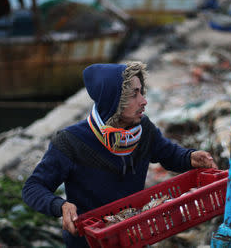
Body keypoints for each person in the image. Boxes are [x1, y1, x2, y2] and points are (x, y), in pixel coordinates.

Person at [22, 61, 218, 247]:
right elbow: (33, 187)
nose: (144, 101)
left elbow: (170, 154)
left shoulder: (143, 130)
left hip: (133, 237)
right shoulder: (71, 141)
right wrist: (60, 206)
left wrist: (191, 157)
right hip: (89, 242)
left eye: (142, 92)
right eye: (134, 95)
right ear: (113, 100)